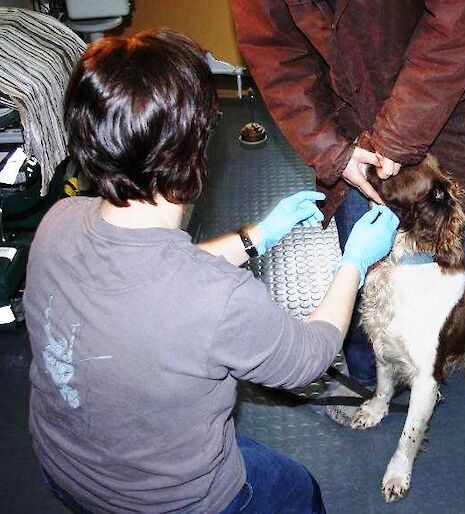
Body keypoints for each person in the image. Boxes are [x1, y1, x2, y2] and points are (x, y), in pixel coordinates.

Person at [23, 29, 400, 514]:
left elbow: (162, 278)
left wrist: (259, 236)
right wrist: (355, 261)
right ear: (193, 147)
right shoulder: (220, 299)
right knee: (300, 491)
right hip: (173, 502)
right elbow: (310, 357)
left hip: (63, 467)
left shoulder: (59, 221)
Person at [231, 0, 465, 425]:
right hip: (354, 130)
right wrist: (333, 153)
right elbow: (278, 57)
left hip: (453, 115)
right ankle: (365, 379)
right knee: (361, 262)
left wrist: (392, 141)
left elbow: (454, 23)